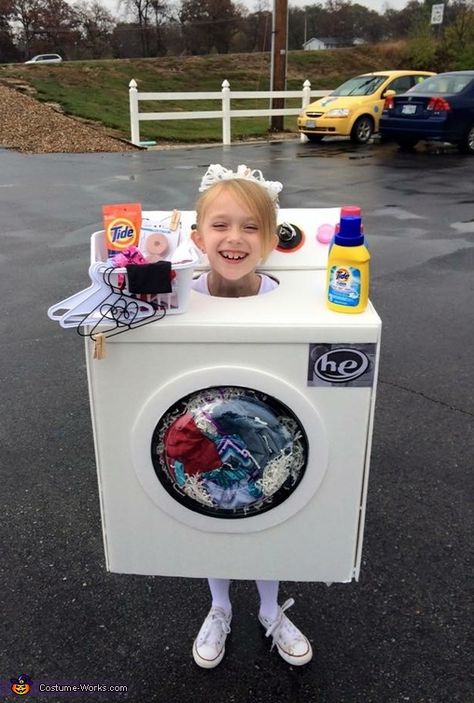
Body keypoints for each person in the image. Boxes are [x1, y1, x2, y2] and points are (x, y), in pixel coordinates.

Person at [189, 163, 313, 669]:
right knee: (210, 515)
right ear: (198, 238)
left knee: (270, 517)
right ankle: (220, 606)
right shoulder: (179, 300)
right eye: (220, 225)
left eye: (250, 227)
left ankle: (267, 609)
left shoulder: (286, 300)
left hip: (268, 437)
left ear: (270, 241)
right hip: (203, 434)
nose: (234, 238)